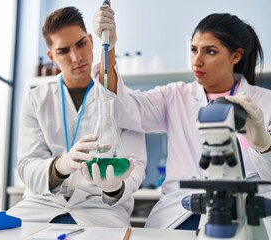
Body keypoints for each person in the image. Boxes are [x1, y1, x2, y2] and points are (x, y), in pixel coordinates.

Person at [93, 7, 271, 231]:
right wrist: (108, 46)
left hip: (245, 214)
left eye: (210, 52)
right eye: (194, 50)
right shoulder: (174, 96)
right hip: (182, 212)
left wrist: (265, 146)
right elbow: (121, 107)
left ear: (236, 56)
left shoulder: (265, 103)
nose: (197, 61)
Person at [6, 6, 147, 227]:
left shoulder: (121, 99)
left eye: (81, 43)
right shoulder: (36, 99)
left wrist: (114, 187)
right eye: (63, 51)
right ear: (52, 56)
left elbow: (136, 165)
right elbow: (27, 166)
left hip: (100, 208)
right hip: (40, 205)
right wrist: (62, 165)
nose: (76, 57)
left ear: (91, 41)